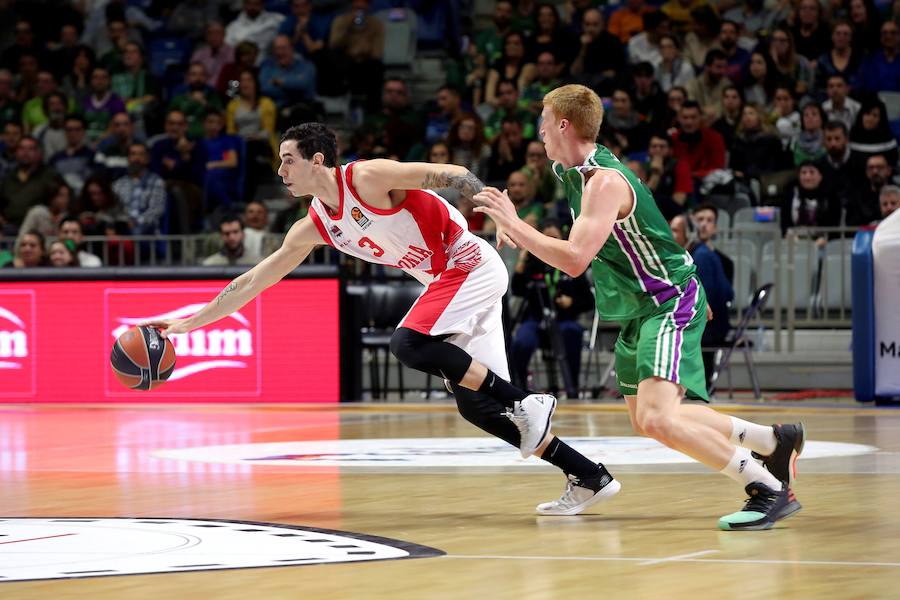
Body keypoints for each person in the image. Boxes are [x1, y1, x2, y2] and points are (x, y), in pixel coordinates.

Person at [145, 122, 621, 516]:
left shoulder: (368, 178)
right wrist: (190, 323)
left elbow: (450, 172)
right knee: (476, 406)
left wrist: (502, 215)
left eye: (288, 158)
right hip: (447, 283)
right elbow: (253, 281)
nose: (280, 169)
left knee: (408, 343)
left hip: (467, 263)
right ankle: (587, 475)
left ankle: (527, 400)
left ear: (317, 161)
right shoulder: (313, 225)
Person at [474, 83, 805, 531]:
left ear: (565, 125)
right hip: (641, 304)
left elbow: (574, 260)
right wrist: (518, 228)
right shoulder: (569, 170)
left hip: (666, 302)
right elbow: (651, 230)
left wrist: (515, 223)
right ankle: (773, 440)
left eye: (545, 122)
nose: (540, 131)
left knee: (657, 417)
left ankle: (765, 487)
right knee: (646, 418)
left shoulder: (605, 182)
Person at [510, 218, 594, 397]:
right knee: (521, 341)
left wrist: (572, 302)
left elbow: (588, 300)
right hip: (535, 319)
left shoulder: (572, 263)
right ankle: (518, 390)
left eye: (554, 238)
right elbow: (517, 290)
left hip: (564, 320)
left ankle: (573, 389)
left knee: (573, 332)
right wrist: (521, 261)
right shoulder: (533, 262)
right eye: (546, 238)